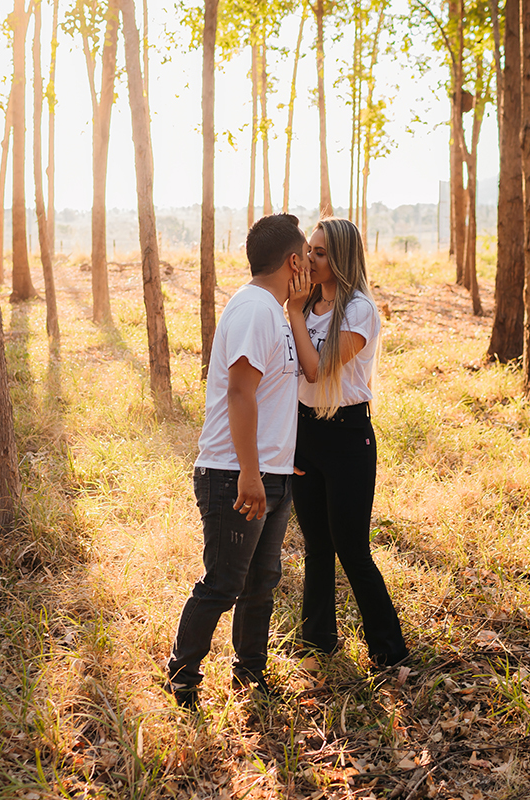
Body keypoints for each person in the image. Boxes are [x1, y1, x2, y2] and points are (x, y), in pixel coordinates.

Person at [165, 213, 309, 709]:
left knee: (261, 583)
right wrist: (250, 471)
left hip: (268, 474)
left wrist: (277, 465)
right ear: (293, 261)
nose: (311, 264)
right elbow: (241, 395)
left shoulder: (276, 311)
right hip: (235, 474)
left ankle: (250, 673)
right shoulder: (253, 309)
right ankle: (182, 675)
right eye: (307, 255)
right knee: (224, 583)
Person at [286, 217, 409, 672]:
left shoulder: (359, 311)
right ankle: (318, 642)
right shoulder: (305, 304)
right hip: (305, 431)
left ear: (340, 258)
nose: (310, 260)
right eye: (309, 251)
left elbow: (317, 368)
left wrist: (294, 314)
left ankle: (388, 650)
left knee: (352, 547)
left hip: (347, 436)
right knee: (317, 544)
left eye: (320, 253)